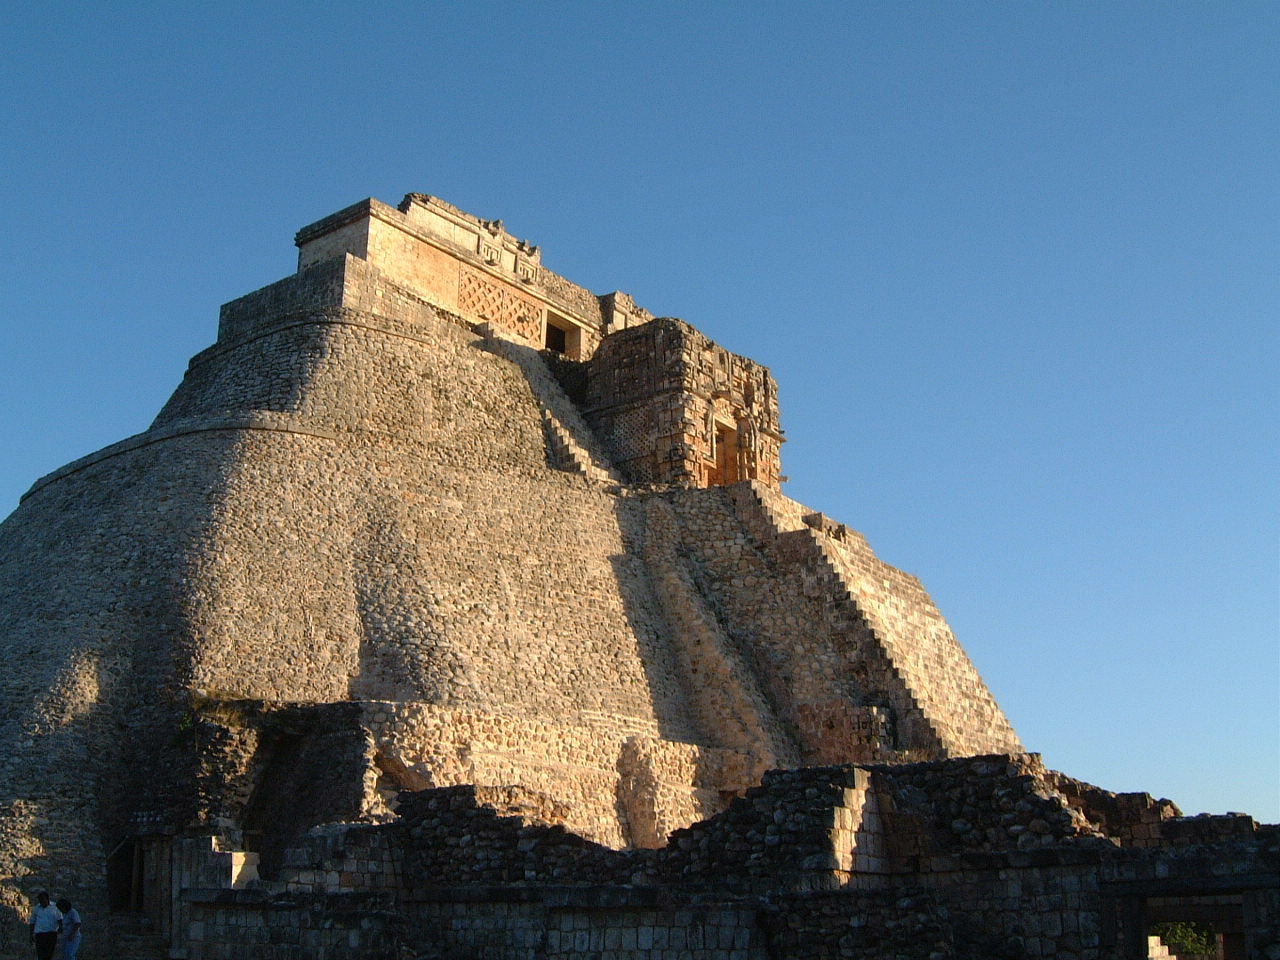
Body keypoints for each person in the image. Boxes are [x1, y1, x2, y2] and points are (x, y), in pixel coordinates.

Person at [27, 891, 61, 960]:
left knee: (49, 955)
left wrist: (61, 929)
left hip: (51, 934)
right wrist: (31, 935)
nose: (41, 902)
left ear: (47, 899)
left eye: (43, 900)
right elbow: (32, 922)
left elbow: (60, 919)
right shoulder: (37, 908)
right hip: (40, 935)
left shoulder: (55, 907)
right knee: (40, 955)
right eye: (40, 900)